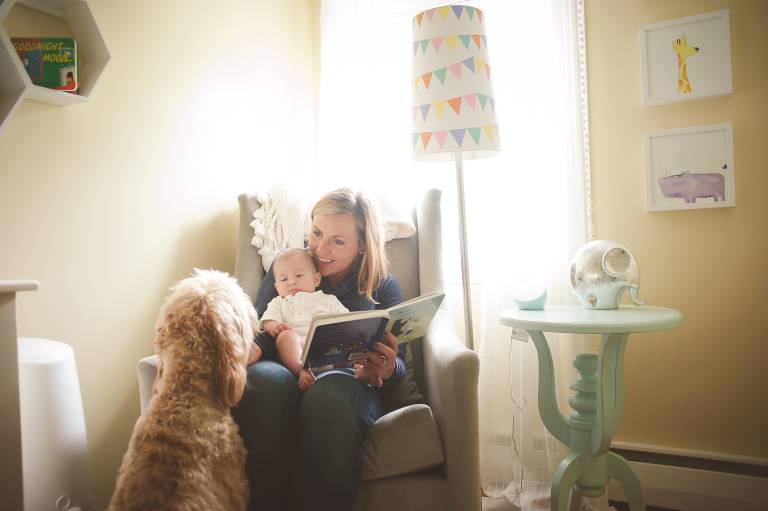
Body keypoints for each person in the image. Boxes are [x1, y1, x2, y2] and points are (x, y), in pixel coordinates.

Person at [233, 188, 405, 511]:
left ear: (362, 247)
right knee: (263, 382)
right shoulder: (290, 266)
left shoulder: (383, 285)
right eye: (316, 233)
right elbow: (263, 330)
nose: (320, 249)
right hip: (285, 366)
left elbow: (399, 367)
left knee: (334, 393)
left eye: (338, 241)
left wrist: (385, 368)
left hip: (345, 380)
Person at [259, 247, 349, 390]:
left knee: (342, 338)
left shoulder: (328, 300)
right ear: (276, 287)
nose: (292, 282)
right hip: (296, 350)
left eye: (299, 276)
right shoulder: (279, 302)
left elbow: (347, 320)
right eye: (284, 279)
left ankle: (344, 368)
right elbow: (267, 320)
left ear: (316, 279)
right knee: (285, 337)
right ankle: (301, 370)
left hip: (325, 349)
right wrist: (275, 327)